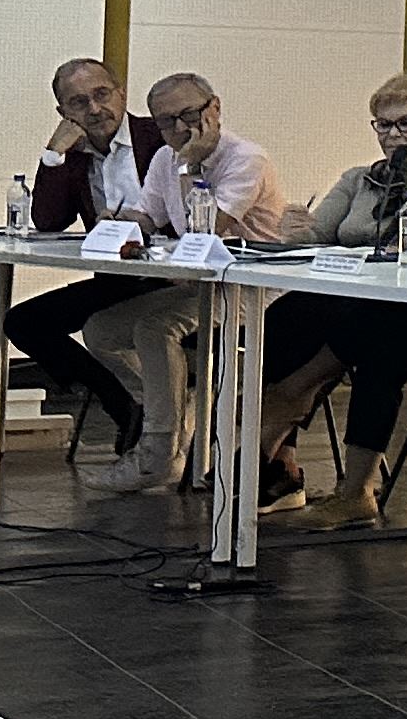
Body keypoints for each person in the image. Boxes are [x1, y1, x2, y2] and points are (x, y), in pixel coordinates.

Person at [250, 76, 407, 530]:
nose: (393, 135)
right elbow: (319, 236)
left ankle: (329, 458)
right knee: (286, 315)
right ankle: (280, 466)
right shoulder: (358, 180)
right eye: (383, 125)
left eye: (406, 123)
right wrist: (295, 230)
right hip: (353, 302)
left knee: (377, 342)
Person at [76, 73, 288, 496]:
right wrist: (117, 221)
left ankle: (157, 453)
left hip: (255, 288)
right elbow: (149, 217)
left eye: (188, 115)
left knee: (155, 328)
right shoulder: (164, 158)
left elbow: (204, 230)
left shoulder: (246, 158)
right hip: (200, 285)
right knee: (101, 330)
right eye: (165, 122)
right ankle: (177, 413)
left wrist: (190, 163)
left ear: (215, 109)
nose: (178, 129)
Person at [6, 57, 171, 463]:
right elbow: (48, 221)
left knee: (106, 327)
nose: (95, 109)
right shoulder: (75, 155)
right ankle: (121, 404)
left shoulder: (158, 138)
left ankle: (146, 412)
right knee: (23, 323)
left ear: (122, 94)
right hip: (116, 279)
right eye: (79, 102)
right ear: (63, 112)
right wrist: (53, 155)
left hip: (171, 277)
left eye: (102, 95)